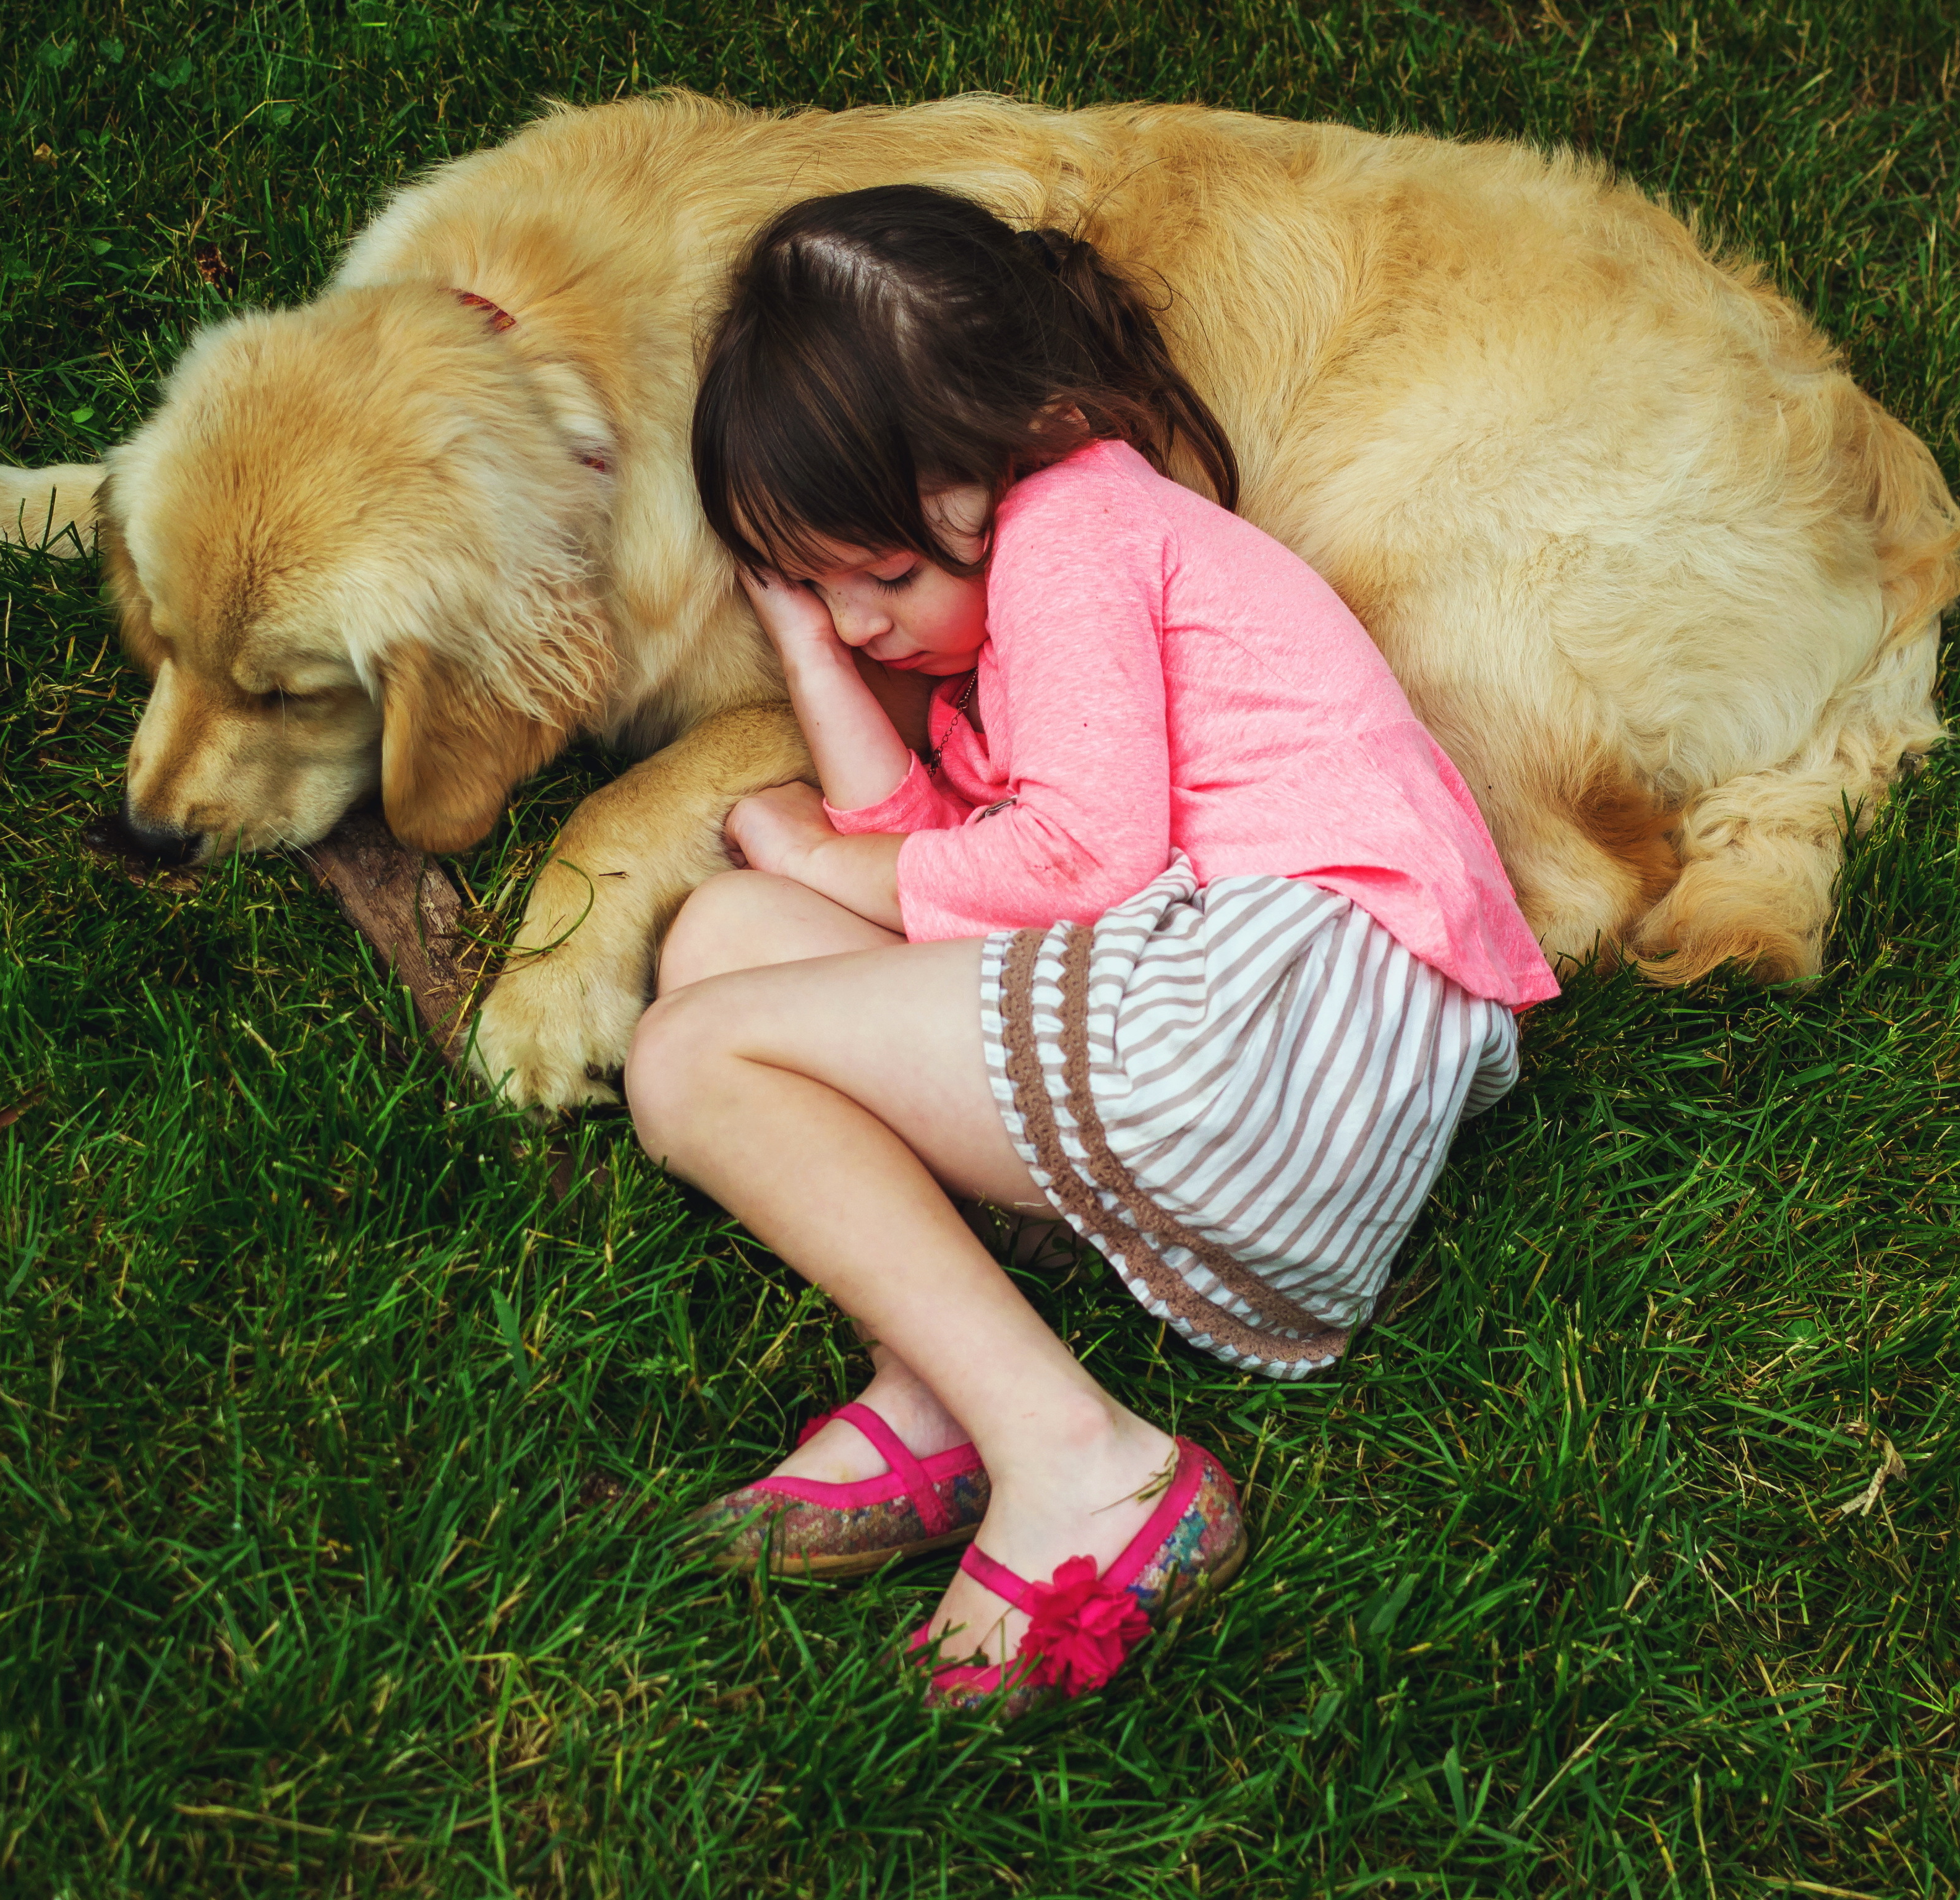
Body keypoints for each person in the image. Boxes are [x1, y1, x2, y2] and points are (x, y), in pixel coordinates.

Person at [623, 184, 1560, 1716]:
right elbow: (940, 840)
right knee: (728, 941)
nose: (865, 624)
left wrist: (820, 851)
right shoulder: (1031, 577)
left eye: (887, 578)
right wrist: (809, 649)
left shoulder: (1074, 536)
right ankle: (941, 1384)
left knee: (688, 1058)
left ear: (1016, 443)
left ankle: (1087, 1462)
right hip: (1288, 1055)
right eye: (820, 585)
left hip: (1270, 1017)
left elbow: (1070, 865)